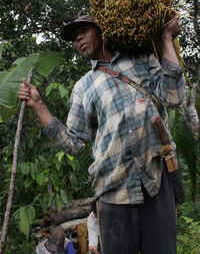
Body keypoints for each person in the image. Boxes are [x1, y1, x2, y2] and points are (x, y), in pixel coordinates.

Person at [19, 13, 185, 254]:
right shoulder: (83, 87)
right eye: (74, 39)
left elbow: (174, 97)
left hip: (156, 181)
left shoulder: (141, 58)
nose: (77, 39)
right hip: (112, 190)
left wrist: (167, 38)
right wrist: (38, 105)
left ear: (101, 31)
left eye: (83, 31)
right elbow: (73, 143)